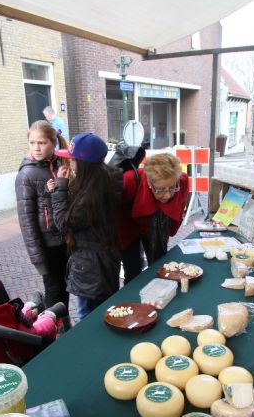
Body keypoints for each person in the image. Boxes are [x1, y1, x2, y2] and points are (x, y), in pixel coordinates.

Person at [50, 133, 122, 320]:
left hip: (90, 265)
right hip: (104, 260)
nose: (69, 163)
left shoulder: (91, 196)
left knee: (87, 314)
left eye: (72, 159)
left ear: (84, 164)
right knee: (105, 311)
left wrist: (60, 187)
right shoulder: (105, 180)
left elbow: (63, 223)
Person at [15, 120, 71, 316]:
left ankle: (63, 324)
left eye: (41, 143)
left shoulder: (61, 164)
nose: (36, 148)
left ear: (53, 143)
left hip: (65, 240)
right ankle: (53, 327)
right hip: (48, 245)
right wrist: (37, 257)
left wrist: (62, 184)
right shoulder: (26, 174)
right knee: (54, 291)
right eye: (32, 143)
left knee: (65, 287)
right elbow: (27, 221)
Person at [119, 153, 190, 283]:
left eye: (172, 188)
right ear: (149, 183)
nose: (167, 195)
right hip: (128, 225)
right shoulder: (129, 179)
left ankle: (160, 288)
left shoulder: (182, 180)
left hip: (157, 222)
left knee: (160, 264)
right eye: (160, 189)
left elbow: (180, 206)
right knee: (133, 270)